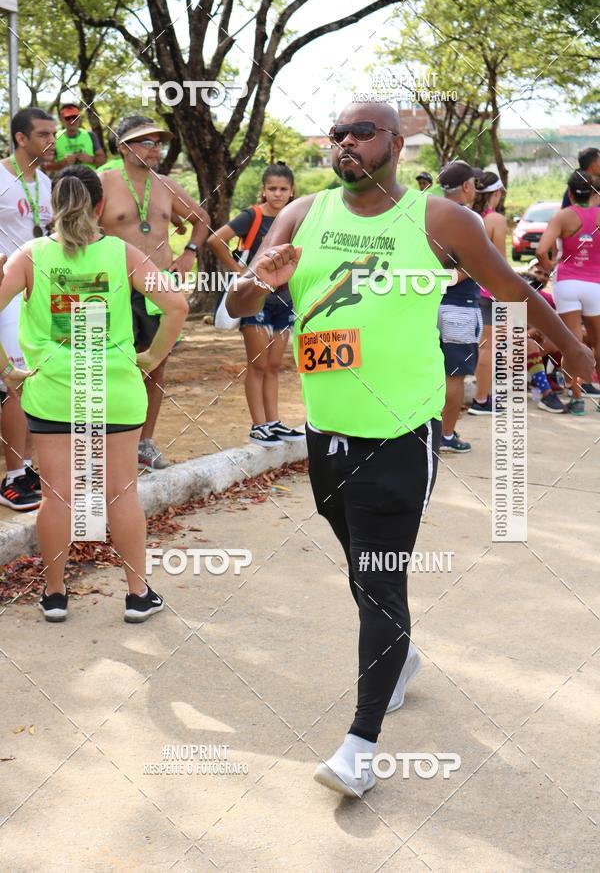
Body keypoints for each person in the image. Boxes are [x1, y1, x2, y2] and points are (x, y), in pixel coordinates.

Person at [228, 101, 594, 798]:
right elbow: (242, 307)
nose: (345, 142)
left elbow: (511, 286)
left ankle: (360, 746)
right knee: (363, 574)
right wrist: (257, 281)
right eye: (337, 133)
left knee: (381, 576)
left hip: (399, 433)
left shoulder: (437, 220)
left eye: (361, 132)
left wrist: (572, 346)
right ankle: (401, 660)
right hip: (325, 434)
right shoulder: (303, 214)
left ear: (396, 143)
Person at [0, 165, 188, 622]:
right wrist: (149, 358)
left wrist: (7, 369)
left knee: (57, 495)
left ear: (53, 207)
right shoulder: (122, 254)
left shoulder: (30, 254)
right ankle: (138, 596)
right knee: (120, 495)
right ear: (100, 206)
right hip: (115, 389)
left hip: (54, 392)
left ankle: (54, 596)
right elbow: (176, 305)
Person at [99, 115, 210, 468]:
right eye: (146, 141)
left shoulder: (166, 185)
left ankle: (144, 443)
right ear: (123, 146)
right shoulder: (102, 183)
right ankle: (108, 445)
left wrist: (189, 253)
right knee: (110, 366)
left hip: (159, 286)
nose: (155, 148)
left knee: (155, 366)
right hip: (113, 285)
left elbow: (202, 219)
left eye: (157, 142)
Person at [208, 162, 304, 446]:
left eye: (283, 189)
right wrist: (240, 273)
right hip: (255, 299)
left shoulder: (296, 216)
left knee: (274, 365)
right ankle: (258, 425)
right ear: (263, 190)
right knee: (258, 364)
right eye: (272, 188)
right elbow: (216, 240)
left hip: (285, 299)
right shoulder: (252, 215)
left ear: (292, 191)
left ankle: (273, 422)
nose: (277, 193)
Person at [0, 107, 56, 511]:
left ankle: (29, 467)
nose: (52, 141)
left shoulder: (48, 182)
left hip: (39, 294)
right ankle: (13, 475)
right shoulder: (0, 176)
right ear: (21, 138)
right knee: (13, 381)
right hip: (6, 292)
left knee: (38, 377)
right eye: (43, 135)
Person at [537, 170, 600, 414]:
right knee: (597, 341)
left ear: (571, 194)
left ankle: (576, 397)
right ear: (593, 193)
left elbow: (542, 250)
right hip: (596, 283)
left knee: (572, 342)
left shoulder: (563, 216)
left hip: (567, 282)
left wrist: (550, 269)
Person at [437, 160, 483, 452]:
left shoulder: (426, 215)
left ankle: (423, 434)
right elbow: (477, 264)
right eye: (474, 183)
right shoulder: (470, 219)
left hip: (426, 303)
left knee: (428, 370)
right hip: (460, 305)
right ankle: (446, 435)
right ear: (466, 186)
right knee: (454, 375)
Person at [468, 171, 507, 415]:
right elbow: (500, 261)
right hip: (488, 290)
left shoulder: (467, 216)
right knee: (487, 347)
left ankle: (478, 392)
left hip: (464, 289)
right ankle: (481, 400)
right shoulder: (496, 221)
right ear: (496, 193)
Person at [44, 103, 106, 173]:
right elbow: (45, 166)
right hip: (65, 181)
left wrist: (91, 159)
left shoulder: (90, 135)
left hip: (89, 180)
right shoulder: (54, 137)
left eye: (74, 117)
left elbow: (103, 160)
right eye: (67, 118)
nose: (72, 121)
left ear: (79, 118)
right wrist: (63, 163)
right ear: (61, 119)